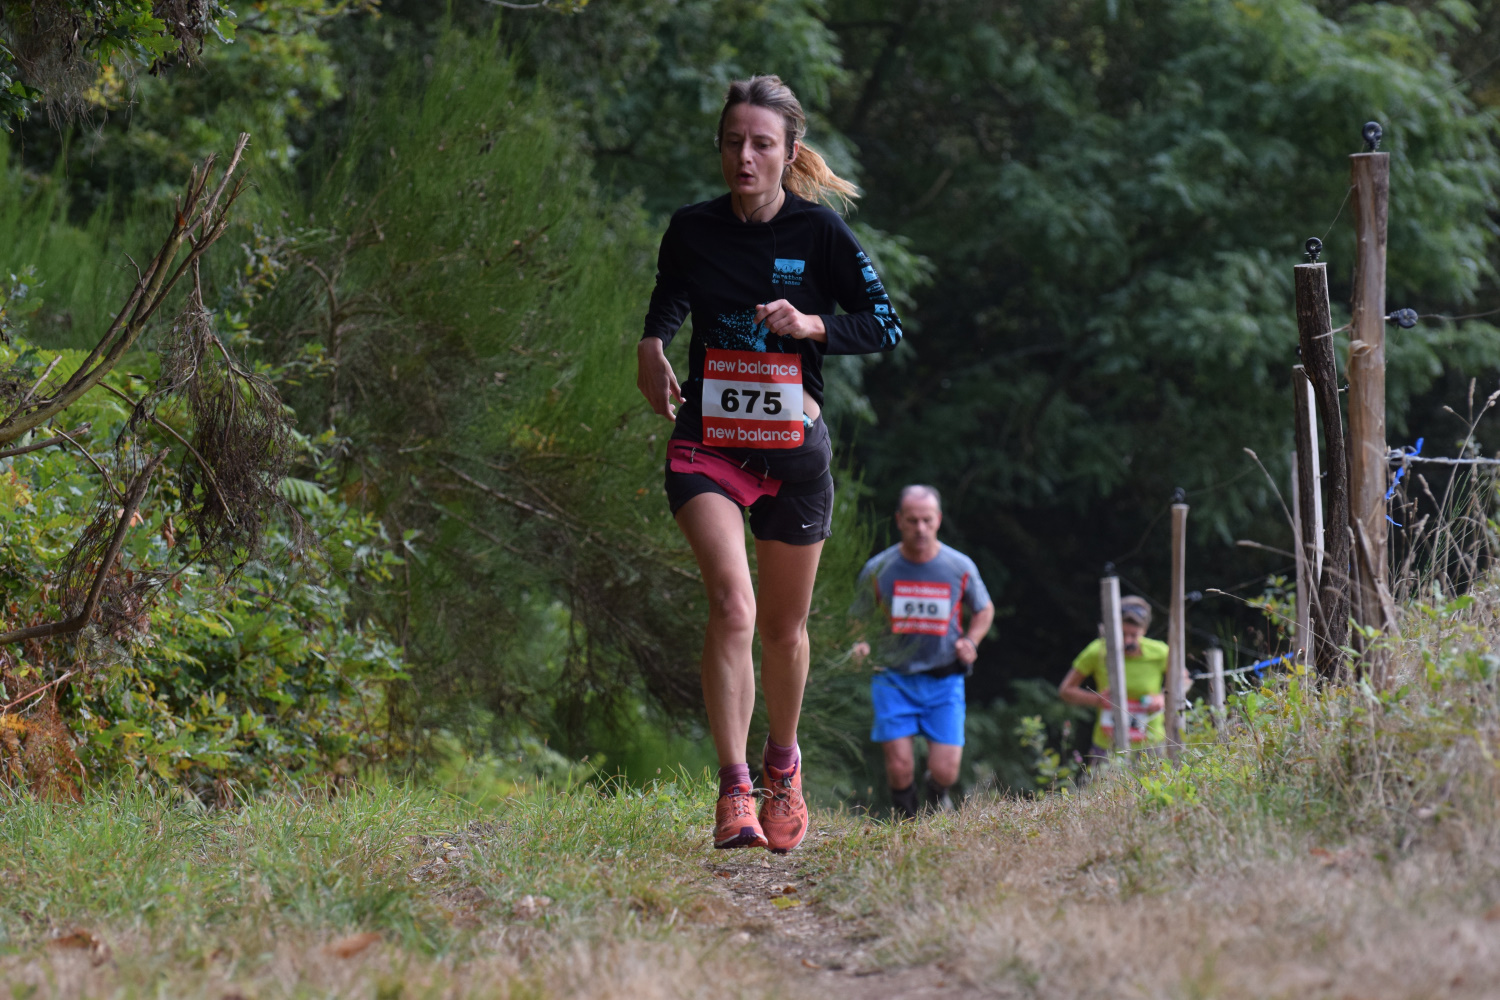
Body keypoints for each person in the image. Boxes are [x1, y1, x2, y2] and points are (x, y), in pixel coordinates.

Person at [636, 75, 904, 852]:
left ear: (789, 153)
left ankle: (781, 767)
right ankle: (733, 791)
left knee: (784, 629)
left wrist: (814, 324)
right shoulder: (692, 227)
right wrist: (652, 344)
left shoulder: (819, 233)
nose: (744, 158)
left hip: (792, 451)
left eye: (760, 145)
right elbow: (671, 292)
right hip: (708, 442)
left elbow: (883, 325)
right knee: (733, 605)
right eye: (732, 143)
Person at [851, 486, 994, 819]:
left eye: (927, 520)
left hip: (944, 678)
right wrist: (861, 642)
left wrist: (971, 641)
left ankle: (937, 795)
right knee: (900, 766)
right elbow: (858, 616)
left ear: (938, 520)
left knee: (946, 770)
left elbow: (984, 609)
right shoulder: (879, 568)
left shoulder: (958, 566)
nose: (920, 528)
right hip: (893, 677)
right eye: (912, 520)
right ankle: (908, 823)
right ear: (899, 520)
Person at [1057, 596, 1185, 763]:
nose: (1127, 641)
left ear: (1144, 631)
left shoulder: (1160, 652)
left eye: (1133, 635)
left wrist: (1162, 698)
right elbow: (1066, 690)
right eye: (1122, 634)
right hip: (1108, 744)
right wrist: (1097, 699)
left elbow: (1184, 679)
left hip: (1150, 744)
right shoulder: (1098, 651)